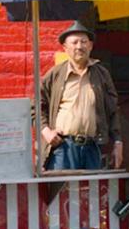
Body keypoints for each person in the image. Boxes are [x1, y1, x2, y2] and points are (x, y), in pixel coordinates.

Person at [40, 20, 123, 171]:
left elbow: (113, 110)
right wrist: (46, 131)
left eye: (84, 42)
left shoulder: (101, 74)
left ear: (90, 46)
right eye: (74, 42)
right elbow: (37, 105)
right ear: (65, 47)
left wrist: (118, 142)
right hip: (63, 147)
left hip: (92, 146)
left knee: (91, 193)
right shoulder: (56, 74)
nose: (79, 46)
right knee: (62, 193)